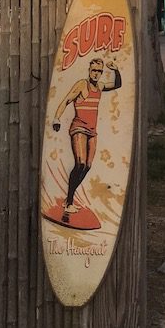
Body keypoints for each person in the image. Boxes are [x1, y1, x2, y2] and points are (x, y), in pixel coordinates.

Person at [52, 57, 122, 223]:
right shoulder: (82, 85)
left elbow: (117, 85)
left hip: (92, 131)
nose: (96, 74)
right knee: (80, 163)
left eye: (99, 71)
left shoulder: (100, 86)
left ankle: (68, 199)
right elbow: (66, 100)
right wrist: (56, 118)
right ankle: (69, 201)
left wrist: (116, 70)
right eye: (94, 70)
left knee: (88, 166)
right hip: (79, 128)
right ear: (89, 71)